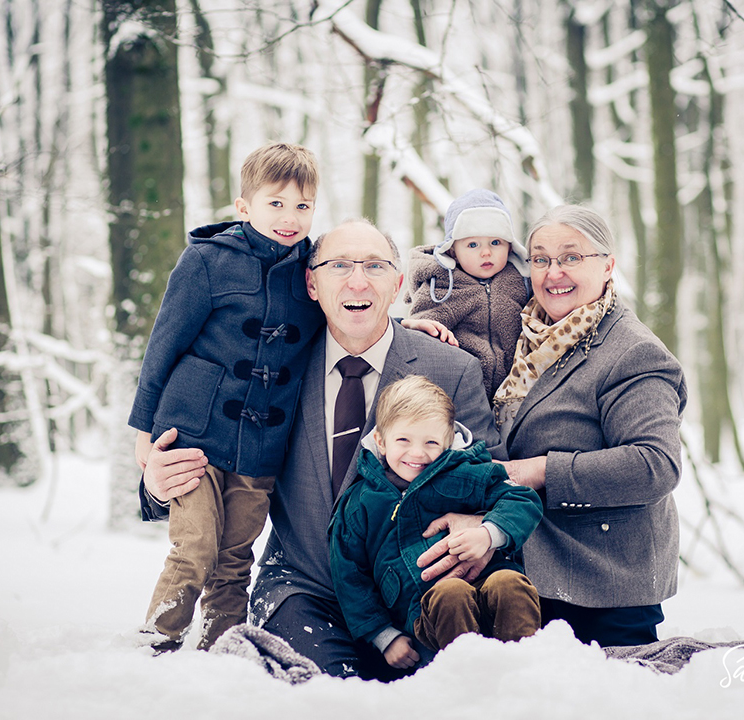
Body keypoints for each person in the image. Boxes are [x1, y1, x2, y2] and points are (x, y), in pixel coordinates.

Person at [141, 219, 503, 678]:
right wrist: (157, 485)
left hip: (417, 594)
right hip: (304, 591)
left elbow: (494, 473)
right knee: (325, 698)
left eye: (375, 266)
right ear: (311, 283)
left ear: (396, 284)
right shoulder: (268, 368)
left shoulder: (449, 368)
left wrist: (480, 522)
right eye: (339, 266)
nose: (358, 280)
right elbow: (213, 456)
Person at [129, 142, 324, 652]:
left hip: (263, 444)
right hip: (192, 432)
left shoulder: (316, 269)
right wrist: (143, 432)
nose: (290, 217)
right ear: (244, 207)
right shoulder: (207, 262)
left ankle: (221, 650)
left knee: (236, 556)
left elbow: (356, 311)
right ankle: (156, 642)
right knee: (194, 546)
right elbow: (162, 345)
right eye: (275, 203)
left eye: (302, 206)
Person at [488, 204, 688, 647]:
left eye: (571, 257)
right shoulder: (524, 337)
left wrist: (537, 470)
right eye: (540, 259)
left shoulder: (632, 352)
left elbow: (655, 465)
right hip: (529, 572)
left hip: (603, 586)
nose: (553, 272)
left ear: (608, 265)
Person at [330, 375, 543, 672]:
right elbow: (349, 573)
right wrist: (384, 636)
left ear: (447, 441)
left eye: (431, 442)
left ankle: (527, 678)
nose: (418, 454)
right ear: (380, 440)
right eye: (403, 440)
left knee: (509, 584)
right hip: (423, 612)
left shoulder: (465, 472)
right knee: (450, 594)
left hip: (490, 580)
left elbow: (523, 499)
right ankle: (467, 686)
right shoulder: (363, 501)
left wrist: (488, 534)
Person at [405, 189, 530, 399]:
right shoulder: (442, 285)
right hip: (458, 393)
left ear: (509, 246)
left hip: (515, 392)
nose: (486, 252)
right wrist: (416, 325)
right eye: (473, 244)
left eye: (495, 242)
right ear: (453, 251)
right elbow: (419, 330)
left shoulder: (521, 281)